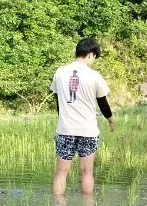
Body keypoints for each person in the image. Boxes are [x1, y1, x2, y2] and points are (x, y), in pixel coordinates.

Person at [49, 38, 115, 195]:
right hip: (88, 131)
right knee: (87, 172)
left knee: (61, 172)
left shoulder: (60, 72)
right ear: (91, 55)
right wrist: (111, 120)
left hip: (65, 130)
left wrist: (63, 118)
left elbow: (58, 101)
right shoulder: (94, 76)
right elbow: (103, 104)